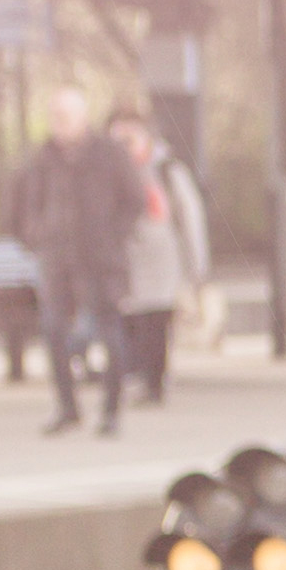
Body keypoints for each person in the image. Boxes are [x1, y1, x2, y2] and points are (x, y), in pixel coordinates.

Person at [5, 87, 134, 439]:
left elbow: (133, 201)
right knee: (53, 331)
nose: (60, 124)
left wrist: (113, 237)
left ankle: (111, 411)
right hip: (56, 258)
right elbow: (19, 202)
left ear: (83, 117)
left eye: (67, 116)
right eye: (56, 117)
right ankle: (67, 407)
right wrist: (32, 236)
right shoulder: (40, 159)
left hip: (99, 259)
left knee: (109, 331)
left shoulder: (109, 155)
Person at [109, 118, 208, 409]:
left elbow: (190, 218)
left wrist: (197, 265)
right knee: (130, 321)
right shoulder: (108, 173)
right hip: (125, 258)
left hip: (162, 258)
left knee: (155, 322)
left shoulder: (167, 171)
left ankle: (154, 383)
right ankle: (135, 379)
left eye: (129, 139)